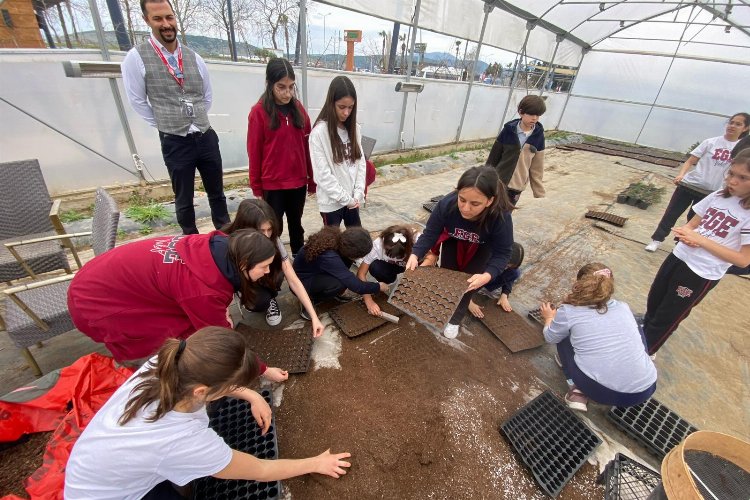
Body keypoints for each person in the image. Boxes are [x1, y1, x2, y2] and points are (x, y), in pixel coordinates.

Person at [64, 327, 351, 500]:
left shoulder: (169, 362)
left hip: (95, 466)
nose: (240, 387)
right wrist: (316, 462)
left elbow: (208, 383)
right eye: (233, 385)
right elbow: (261, 469)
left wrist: (250, 394)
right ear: (201, 391)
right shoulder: (180, 440)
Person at [67, 229, 288, 382]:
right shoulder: (202, 291)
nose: (268, 272)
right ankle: (154, 383)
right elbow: (220, 340)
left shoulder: (219, 245)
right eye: (264, 266)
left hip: (101, 274)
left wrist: (219, 311)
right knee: (168, 349)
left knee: (189, 327)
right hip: (97, 301)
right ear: (242, 263)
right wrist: (262, 370)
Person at [121, 0, 229, 235]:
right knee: (184, 198)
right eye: (158, 19)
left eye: (169, 17)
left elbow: (205, 96)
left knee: (217, 193)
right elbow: (138, 102)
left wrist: (196, 118)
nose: (166, 24)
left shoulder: (194, 57)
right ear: (147, 20)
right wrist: (166, 123)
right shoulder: (136, 58)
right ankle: (190, 242)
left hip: (205, 134)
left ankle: (226, 239)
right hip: (175, 140)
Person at [643, 150, 750, 354]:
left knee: (668, 315)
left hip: (701, 272)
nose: (733, 181)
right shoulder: (718, 196)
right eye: (731, 174)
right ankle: (642, 335)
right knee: (655, 300)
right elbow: (692, 224)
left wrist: (701, 240)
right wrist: (687, 234)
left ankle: (646, 352)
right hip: (679, 256)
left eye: (743, 177)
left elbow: (743, 260)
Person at [406, 166, 515, 339]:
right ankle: (444, 307)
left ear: (489, 201)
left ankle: (455, 320)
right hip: (454, 241)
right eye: (462, 199)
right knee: (447, 277)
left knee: (467, 285)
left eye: (475, 204)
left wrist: (487, 275)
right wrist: (415, 253)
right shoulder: (447, 204)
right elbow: (431, 233)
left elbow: (503, 252)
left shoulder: (500, 215)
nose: (465, 208)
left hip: (481, 247)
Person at [539, 263, 657, 412]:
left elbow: (550, 337)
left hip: (602, 392)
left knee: (562, 335)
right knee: (636, 330)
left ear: (580, 284)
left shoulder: (569, 311)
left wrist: (549, 317)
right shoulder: (623, 307)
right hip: (646, 389)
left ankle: (576, 389)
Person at [645, 112, 749, 252]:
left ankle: (680, 243)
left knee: (693, 220)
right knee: (671, 213)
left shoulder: (740, 150)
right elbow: (690, 161)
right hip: (690, 185)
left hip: (710, 192)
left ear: (745, 128)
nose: (732, 126)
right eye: (731, 122)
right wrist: (681, 175)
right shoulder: (711, 142)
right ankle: (656, 240)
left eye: (738, 124)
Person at [222, 199, 323, 336]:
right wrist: (225, 315)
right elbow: (219, 281)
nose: (266, 235)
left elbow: (292, 279)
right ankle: (247, 294)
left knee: (279, 272)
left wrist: (314, 317)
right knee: (258, 303)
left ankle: (270, 297)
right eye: (260, 230)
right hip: (243, 280)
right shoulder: (227, 242)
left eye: (269, 230)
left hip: (260, 277)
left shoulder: (274, 240)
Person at [247, 58, 315, 256]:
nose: (287, 93)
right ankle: (274, 266)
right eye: (281, 87)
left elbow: (308, 147)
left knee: (296, 225)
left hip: (298, 183)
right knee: (273, 229)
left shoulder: (299, 110)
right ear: (270, 84)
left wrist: (312, 180)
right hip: (273, 185)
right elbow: (254, 151)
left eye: (291, 87)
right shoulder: (258, 113)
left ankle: (299, 263)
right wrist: (256, 186)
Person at [293, 226, 389, 319]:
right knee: (341, 283)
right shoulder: (329, 256)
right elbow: (357, 286)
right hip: (301, 281)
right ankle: (306, 298)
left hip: (317, 270)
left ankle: (334, 293)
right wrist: (378, 286)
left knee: (345, 276)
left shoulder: (341, 240)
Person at [309, 76, 366, 228]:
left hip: (353, 199)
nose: (346, 112)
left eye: (351, 107)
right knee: (331, 246)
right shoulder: (319, 133)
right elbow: (322, 175)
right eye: (342, 107)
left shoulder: (355, 129)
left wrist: (359, 192)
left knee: (356, 243)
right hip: (332, 202)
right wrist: (345, 199)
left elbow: (360, 162)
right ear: (331, 103)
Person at [484, 95, 547, 205]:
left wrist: (538, 190)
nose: (535, 118)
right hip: (499, 181)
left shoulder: (538, 136)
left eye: (538, 115)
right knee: (490, 209)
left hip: (517, 185)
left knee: (506, 213)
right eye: (531, 114)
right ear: (521, 112)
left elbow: (537, 166)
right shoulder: (508, 131)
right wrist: (484, 179)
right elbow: (493, 158)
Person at [356, 225, 420, 316]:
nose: (394, 259)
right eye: (389, 255)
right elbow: (361, 273)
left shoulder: (417, 240)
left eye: (398, 257)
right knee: (375, 267)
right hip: (389, 267)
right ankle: (390, 281)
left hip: (411, 265)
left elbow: (432, 257)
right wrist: (368, 300)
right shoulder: (377, 245)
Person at [465, 242, 524, 317]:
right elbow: (465, 278)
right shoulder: (484, 259)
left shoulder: (510, 270)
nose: (505, 268)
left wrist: (505, 294)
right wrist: (468, 302)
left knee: (515, 273)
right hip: (478, 275)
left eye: (508, 267)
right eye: (505, 265)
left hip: (489, 280)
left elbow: (510, 278)